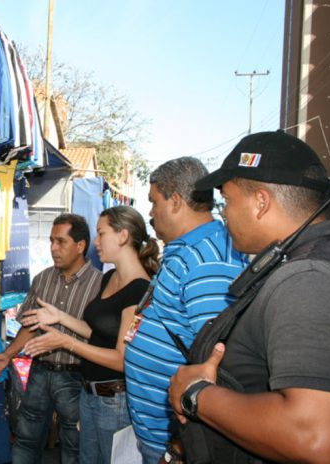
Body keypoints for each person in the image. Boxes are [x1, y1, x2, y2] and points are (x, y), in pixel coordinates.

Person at [168, 131, 330, 462]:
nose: (223, 214)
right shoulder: (299, 262)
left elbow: (313, 436)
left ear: (261, 202)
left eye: (227, 201)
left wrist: (196, 396)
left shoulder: (306, 277)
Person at [123, 157, 249, 463]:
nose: (150, 213)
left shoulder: (207, 260)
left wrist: (181, 445)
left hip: (178, 442)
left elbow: (217, 359)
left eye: (154, 202)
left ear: (176, 201)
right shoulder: (189, 250)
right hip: (161, 435)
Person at [21, 206, 160, 464]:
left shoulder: (140, 290)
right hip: (89, 395)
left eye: (100, 234)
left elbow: (121, 358)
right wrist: (61, 318)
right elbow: (97, 333)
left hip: (114, 401)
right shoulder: (109, 278)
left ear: (122, 236)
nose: (95, 243)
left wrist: (66, 342)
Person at [0, 213, 104, 464]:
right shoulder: (43, 278)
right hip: (40, 370)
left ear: (80, 246)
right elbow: (29, 326)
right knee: (26, 441)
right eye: (51, 241)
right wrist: (8, 355)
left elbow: (100, 337)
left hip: (76, 376)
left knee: (74, 448)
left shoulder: (101, 285)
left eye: (61, 242)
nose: (53, 248)